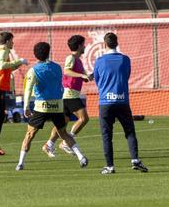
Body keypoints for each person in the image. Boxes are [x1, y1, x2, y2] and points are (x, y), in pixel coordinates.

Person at [16, 41, 89, 171]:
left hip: (42, 106)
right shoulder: (57, 67)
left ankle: (20, 163)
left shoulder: (33, 70)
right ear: (48, 53)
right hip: (57, 106)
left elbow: (28, 89)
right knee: (64, 133)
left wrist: (26, 106)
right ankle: (81, 157)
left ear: (35, 54)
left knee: (30, 134)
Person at [92, 32, 148, 174]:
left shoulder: (99, 61)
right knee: (129, 132)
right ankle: (135, 160)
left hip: (105, 102)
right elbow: (126, 76)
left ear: (105, 44)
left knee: (107, 135)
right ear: (117, 43)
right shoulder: (125, 59)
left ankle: (110, 166)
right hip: (122, 100)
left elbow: (97, 81)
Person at [44, 34, 91, 158]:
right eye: (83, 44)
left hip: (70, 94)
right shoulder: (71, 58)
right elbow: (67, 71)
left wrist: (87, 77)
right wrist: (81, 75)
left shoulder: (79, 60)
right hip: (69, 94)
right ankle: (66, 143)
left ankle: (49, 144)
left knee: (62, 123)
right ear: (79, 46)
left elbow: (82, 76)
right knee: (84, 118)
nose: (85, 46)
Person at [0, 31, 27, 156]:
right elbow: (2, 65)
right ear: (7, 41)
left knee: (1, 115)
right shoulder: (3, 50)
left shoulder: (3, 50)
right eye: (12, 40)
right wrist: (19, 61)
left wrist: (19, 64)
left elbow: (7, 68)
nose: (13, 43)